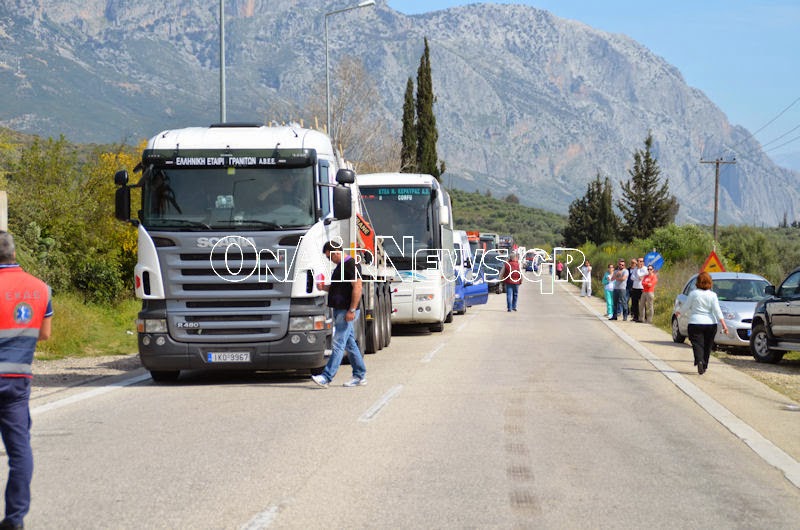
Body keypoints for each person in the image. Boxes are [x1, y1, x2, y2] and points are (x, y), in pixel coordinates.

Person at [0, 231, 53, 530]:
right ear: (14, 254)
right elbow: (44, 334)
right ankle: (15, 518)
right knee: (19, 451)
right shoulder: (41, 288)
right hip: (18, 379)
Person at [311, 241, 367, 388]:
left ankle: (326, 377)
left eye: (329, 257)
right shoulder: (340, 267)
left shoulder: (351, 265)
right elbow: (338, 288)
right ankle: (360, 375)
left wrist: (352, 310)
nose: (329, 260)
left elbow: (358, 287)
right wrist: (324, 287)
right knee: (350, 343)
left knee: (338, 343)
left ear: (336, 252)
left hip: (346, 310)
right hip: (340, 310)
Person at [685, 272, 729, 375]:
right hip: (710, 324)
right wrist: (724, 325)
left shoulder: (693, 294)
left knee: (697, 344)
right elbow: (717, 311)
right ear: (710, 282)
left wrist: (679, 312)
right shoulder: (713, 295)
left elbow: (686, 306)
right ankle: (704, 365)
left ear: (697, 282)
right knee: (707, 345)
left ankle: (699, 360)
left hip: (695, 323)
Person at [629, 257, 646, 322]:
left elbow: (642, 276)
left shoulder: (645, 269)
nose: (639, 262)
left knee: (642, 304)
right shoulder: (635, 268)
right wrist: (638, 278)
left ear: (643, 262)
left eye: (640, 261)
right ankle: (635, 317)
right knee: (634, 304)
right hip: (635, 288)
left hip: (641, 288)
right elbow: (632, 277)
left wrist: (639, 275)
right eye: (638, 261)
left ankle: (643, 317)